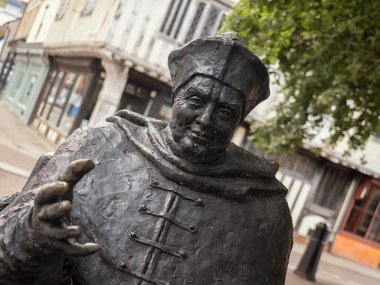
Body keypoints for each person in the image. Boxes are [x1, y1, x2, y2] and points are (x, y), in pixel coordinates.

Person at [0, 33, 292, 285]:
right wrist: (32, 235)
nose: (205, 120)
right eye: (195, 100)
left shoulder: (265, 210)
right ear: (175, 98)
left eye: (225, 112)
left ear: (239, 121)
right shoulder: (97, 145)